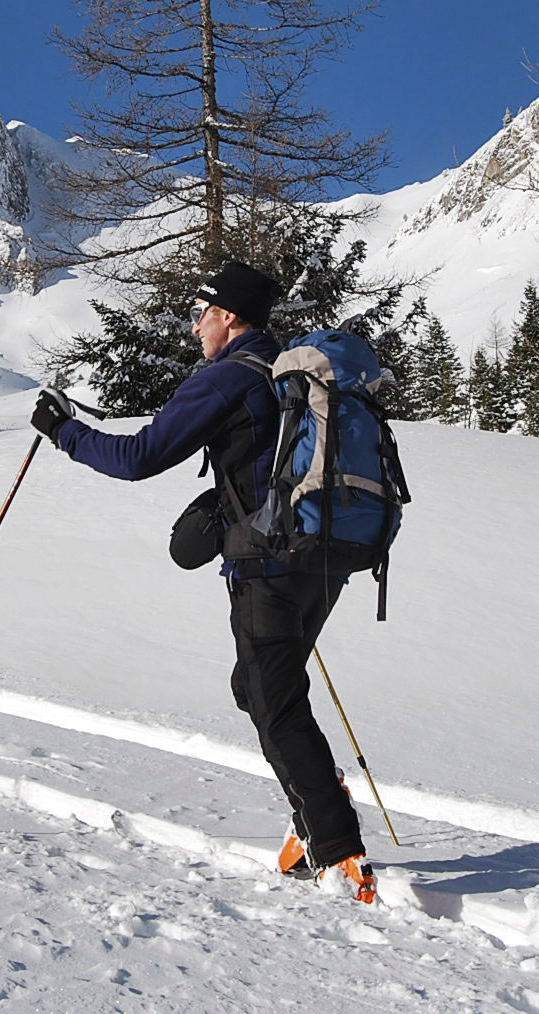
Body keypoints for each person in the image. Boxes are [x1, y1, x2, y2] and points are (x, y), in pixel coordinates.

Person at [30, 260, 374, 903]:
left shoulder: (227, 378)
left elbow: (137, 459)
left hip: (267, 563)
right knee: (259, 687)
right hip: (327, 555)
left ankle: (337, 849)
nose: (194, 328)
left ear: (229, 317)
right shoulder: (284, 371)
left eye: (201, 313)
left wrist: (63, 433)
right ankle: (316, 799)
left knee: (272, 702)